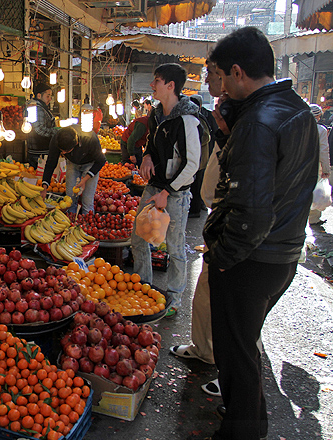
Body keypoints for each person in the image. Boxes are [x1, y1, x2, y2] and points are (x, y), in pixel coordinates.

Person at [204, 27, 319, 440]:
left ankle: (243, 432)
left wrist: (221, 256)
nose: (218, 85)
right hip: (284, 254)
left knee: (237, 357)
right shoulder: (298, 110)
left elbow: (250, 210)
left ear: (238, 71)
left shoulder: (258, 121)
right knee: (245, 349)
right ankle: (247, 418)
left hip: (251, 259)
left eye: (220, 75)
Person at [169, 59, 242, 397]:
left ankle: (232, 379)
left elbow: (196, 166)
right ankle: (203, 351)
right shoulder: (225, 132)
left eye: (214, 75)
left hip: (237, 238)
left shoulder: (249, 131)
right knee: (205, 301)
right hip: (220, 229)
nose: (216, 112)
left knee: (236, 315)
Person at [131, 63, 202, 318]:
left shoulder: (187, 120)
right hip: (154, 187)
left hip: (176, 193)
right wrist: (147, 156)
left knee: (174, 246)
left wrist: (169, 191)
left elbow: (192, 164)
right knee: (138, 238)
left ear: (170, 86)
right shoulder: (156, 115)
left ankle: (174, 298)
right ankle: (142, 285)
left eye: (157, 81)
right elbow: (150, 142)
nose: (152, 85)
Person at [40, 126, 106, 215]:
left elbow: (101, 161)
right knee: (69, 199)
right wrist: (44, 187)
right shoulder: (57, 139)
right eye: (61, 151)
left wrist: (85, 179)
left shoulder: (89, 138)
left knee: (87, 200)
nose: (63, 153)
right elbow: (51, 163)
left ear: (76, 143)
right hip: (72, 163)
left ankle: (86, 225)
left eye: (66, 151)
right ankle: (70, 224)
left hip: (91, 164)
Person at [187, 95, 213, 218]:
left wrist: (192, 141)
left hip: (200, 157)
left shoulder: (199, 118)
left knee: (197, 184)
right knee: (196, 182)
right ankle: (196, 207)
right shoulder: (196, 116)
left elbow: (206, 137)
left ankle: (195, 210)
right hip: (197, 157)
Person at [26, 83, 58, 170]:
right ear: (39, 95)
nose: (50, 99)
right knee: (40, 177)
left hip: (39, 150)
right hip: (39, 152)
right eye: (48, 96)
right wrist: (56, 132)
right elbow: (39, 129)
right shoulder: (37, 108)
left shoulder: (40, 107)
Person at [308, 104, 331, 224]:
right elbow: (323, 150)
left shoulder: (299, 127)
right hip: (314, 165)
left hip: (298, 164)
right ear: (318, 116)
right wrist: (326, 169)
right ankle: (313, 219)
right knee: (316, 191)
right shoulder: (321, 130)